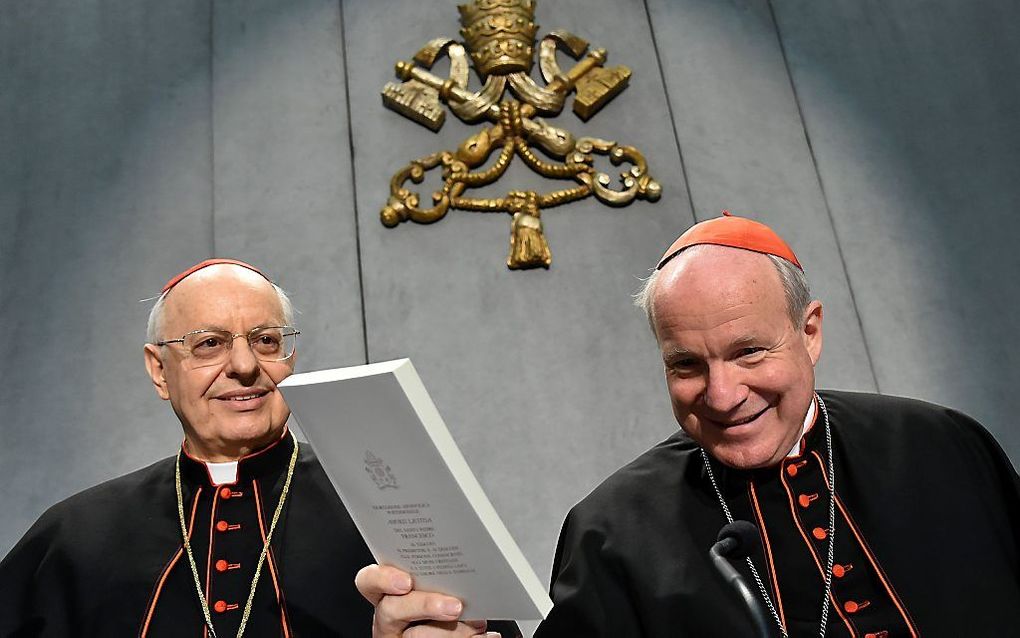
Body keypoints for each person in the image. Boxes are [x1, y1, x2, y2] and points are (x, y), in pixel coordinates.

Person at [357, 213, 1020, 637]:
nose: (724, 394)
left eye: (748, 352)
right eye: (686, 365)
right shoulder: (613, 531)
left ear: (809, 332)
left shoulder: (944, 447)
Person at [0, 259, 378, 636]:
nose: (245, 366)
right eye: (209, 344)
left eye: (266, 340)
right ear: (159, 371)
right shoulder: (76, 535)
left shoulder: (376, 505)